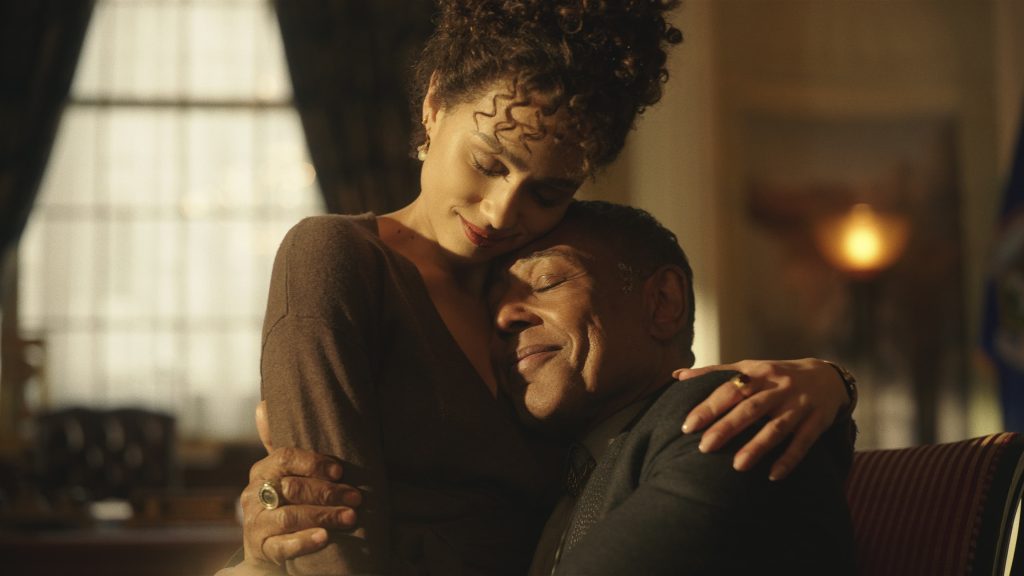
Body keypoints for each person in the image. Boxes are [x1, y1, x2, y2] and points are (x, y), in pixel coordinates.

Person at [227, 1, 857, 574]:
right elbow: (321, 525)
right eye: (487, 162)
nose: (502, 213)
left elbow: (640, 445)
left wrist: (830, 381)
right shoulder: (338, 256)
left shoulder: (523, 294)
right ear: (434, 104)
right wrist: (256, 557)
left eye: (548, 192)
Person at [489, 200, 855, 575]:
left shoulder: (728, 411)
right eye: (489, 305)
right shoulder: (543, 471)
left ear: (663, 301)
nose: (503, 317)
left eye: (547, 282)